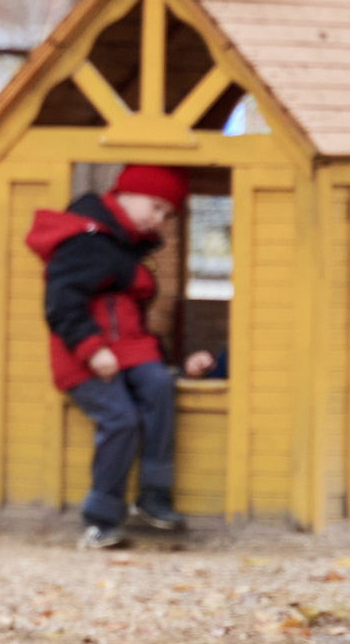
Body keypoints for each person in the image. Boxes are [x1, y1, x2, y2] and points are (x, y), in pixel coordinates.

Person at [25, 163, 219, 550]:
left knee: (160, 386)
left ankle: (154, 495)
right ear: (127, 194)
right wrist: (91, 350)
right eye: (156, 207)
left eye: (167, 215)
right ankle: (100, 518)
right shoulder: (86, 240)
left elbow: (130, 316)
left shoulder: (127, 245)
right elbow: (61, 304)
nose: (159, 220)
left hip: (131, 351)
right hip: (85, 357)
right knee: (121, 419)